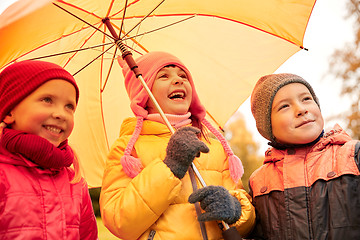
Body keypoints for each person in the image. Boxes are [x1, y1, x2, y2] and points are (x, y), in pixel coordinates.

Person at [100, 51, 255, 239]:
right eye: (163, 76)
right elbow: (118, 221)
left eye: (183, 76)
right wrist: (170, 167)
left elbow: (248, 224)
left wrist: (236, 210)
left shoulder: (214, 147)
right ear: (143, 92)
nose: (178, 80)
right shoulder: (128, 150)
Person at [247, 73, 360, 239]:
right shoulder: (258, 181)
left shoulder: (352, 155)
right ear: (267, 127)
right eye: (284, 106)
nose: (301, 109)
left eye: (306, 99)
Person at [0, 60, 98, 239]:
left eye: (69, 106)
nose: (60, 113)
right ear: (9, 111)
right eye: (47, 100)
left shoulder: (75, 183)